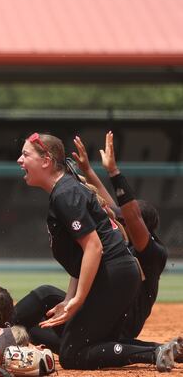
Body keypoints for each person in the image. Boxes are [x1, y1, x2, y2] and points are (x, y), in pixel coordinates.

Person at [16, 132, 179, 371]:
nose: (20, 160)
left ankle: (154, 351)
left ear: (46, 160)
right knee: (46, 303)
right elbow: (101, 219)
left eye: (25, 154)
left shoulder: (152, 252)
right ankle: (3, 331)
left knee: (72, 355)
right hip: (109, 283)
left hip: (115, 292)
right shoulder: (67, 193)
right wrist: (70, 299)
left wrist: (78, 299)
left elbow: (97, 243)